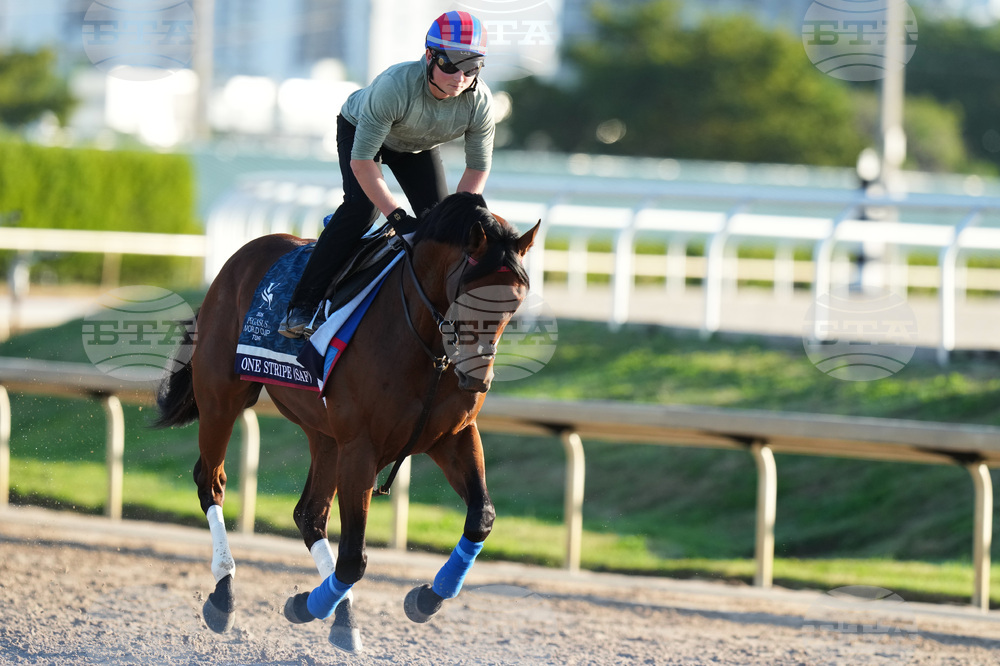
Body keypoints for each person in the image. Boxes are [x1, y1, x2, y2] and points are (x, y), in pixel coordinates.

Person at [280, 10, 495, 338]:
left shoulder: (481, 102)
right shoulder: (394, 86)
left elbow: (477, 168)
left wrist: (457, 216)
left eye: (471, 67)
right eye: (451, 64)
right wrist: (396, 216)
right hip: (362, 135)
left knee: (441, 225)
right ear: (429, 56)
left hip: (417, 146)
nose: (460, 77)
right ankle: (302, 306)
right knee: (362, 209)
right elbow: (362, 163)